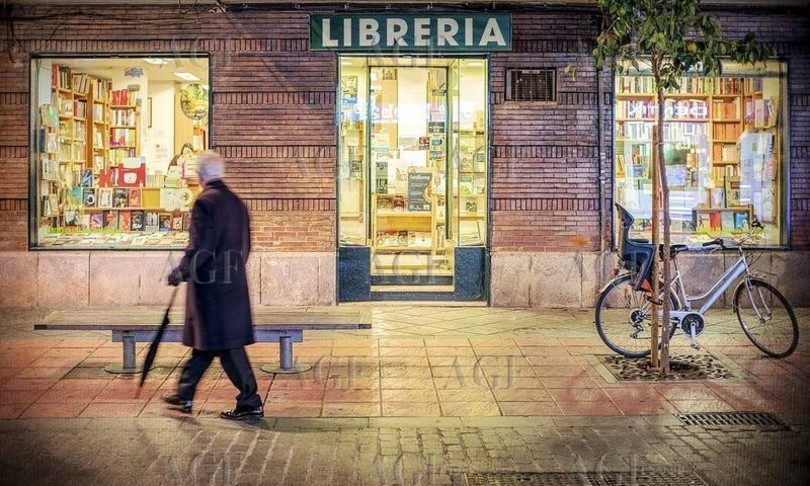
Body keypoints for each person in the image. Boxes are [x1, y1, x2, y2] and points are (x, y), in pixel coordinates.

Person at [162, 150, 263, 420]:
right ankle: (185, 394)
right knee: (206, 344)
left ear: (200, 174)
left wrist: (181, 273)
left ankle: (250, 399)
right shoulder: (235, 202)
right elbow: (245, 245)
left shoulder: (205, 203)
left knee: (225, 345)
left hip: (211, 289)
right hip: (231, 284)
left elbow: (200, 248)